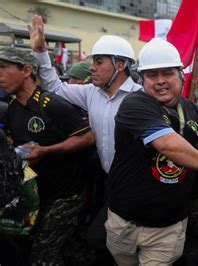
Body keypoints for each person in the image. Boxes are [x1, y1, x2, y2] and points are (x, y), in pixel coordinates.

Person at [28, 14, 142, 265]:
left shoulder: (142, 98)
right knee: (103, 241)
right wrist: (40, 52)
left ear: (120, 64)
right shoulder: (91, 93)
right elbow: (54, 88)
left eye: (99, 62)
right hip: (108, 183)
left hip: (137, 187)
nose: (91, 68)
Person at [105, 37, 198, 265]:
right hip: (125, 223)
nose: (160, 81)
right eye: (152, 75)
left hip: (168, 228)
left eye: (167, 73)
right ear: (143, 79)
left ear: (181, 74)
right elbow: (167, 144)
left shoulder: (192, 109)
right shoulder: (134, 104)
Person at [0, 47, 94, 265]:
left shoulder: (52, 104)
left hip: (65, 195)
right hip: (36, 194)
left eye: (4, 68)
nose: (0, 76)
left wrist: (46, 151)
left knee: (43, 256)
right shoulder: (12, 109)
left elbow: (88, 138)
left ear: (26, 70)